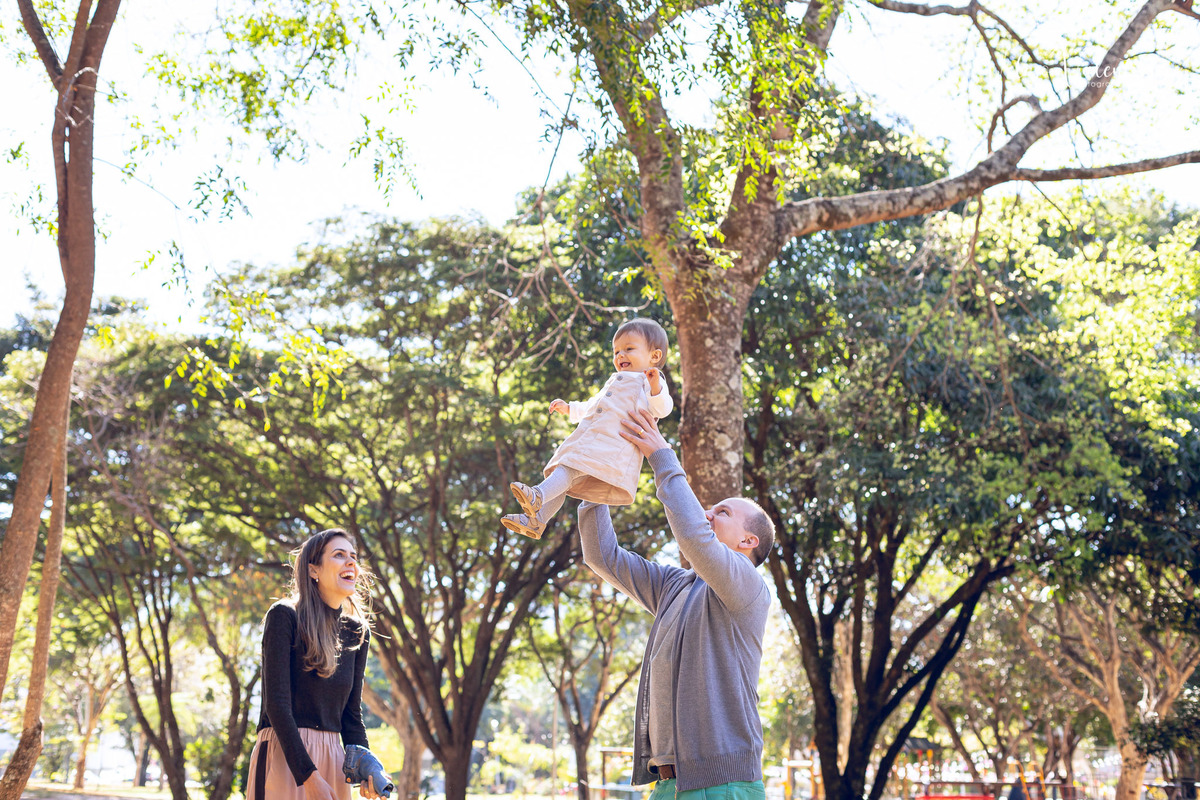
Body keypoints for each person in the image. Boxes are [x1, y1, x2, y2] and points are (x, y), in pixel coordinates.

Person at [577, 406, 775, 797]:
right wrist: (593, 489)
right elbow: (603, 557)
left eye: (722, 512)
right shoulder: (676, 585)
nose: (707, 513)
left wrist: (660, 455)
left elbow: (693, 539)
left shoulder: (748, 585)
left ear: (748, 541)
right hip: (668, 784)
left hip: (723, 784)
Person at [248, 529, 390, 800]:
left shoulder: (358, 632)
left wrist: (366, 769)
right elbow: (276, 705)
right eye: (339, 555)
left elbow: (351, 715)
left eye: (353, 557)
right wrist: (308, 776)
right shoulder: (284, 616)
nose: (351, 562)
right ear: (313, 570)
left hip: (333, 758)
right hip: (285, 753)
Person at [503, 317, 675, 539]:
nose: (620, 355)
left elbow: (662, 409)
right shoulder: (615, 380)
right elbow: (594, 404)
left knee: (566, 470)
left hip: (610, 446)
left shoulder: (649, 381)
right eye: (616, 352)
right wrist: (570, 409)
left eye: (629, 349)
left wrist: (655, 387)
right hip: (590, 439)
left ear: (654, 356)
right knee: (563, 474)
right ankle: (537, 521)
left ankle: (538, 495)